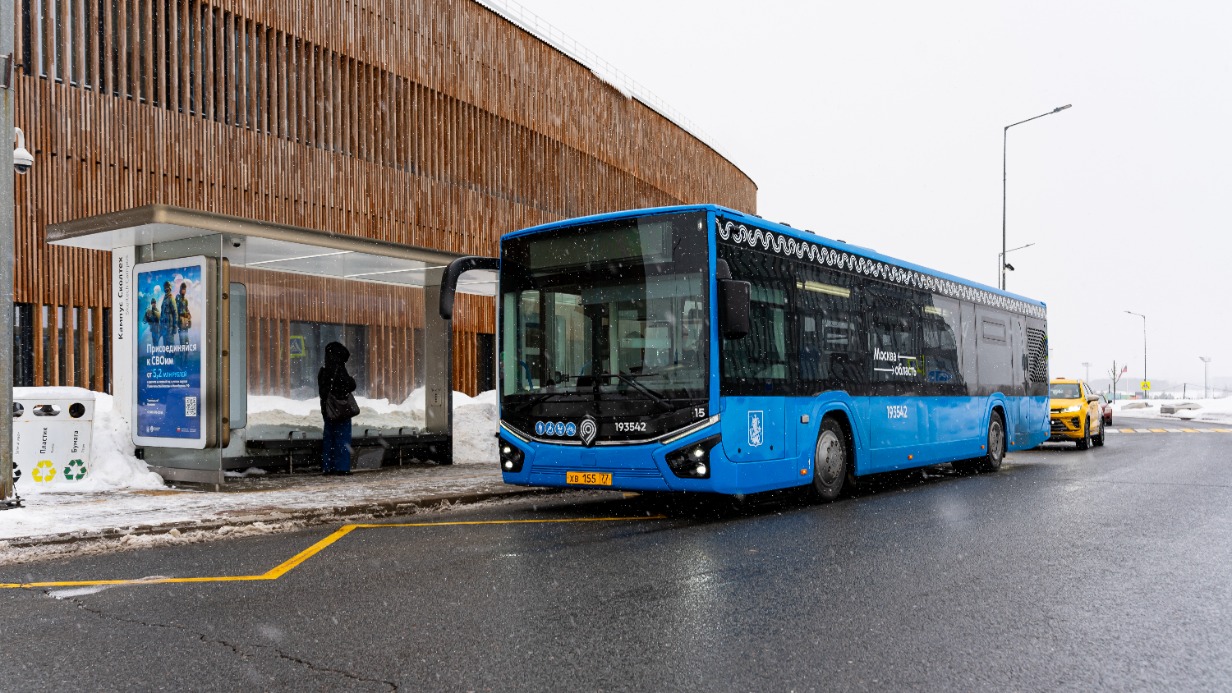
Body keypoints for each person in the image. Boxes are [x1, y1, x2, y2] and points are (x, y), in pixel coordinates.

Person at [318, 341, 357, 476]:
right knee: (342, 438)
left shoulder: (324, 370)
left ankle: (328, 467)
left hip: (328, 410)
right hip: (341, 410)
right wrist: (351, 380)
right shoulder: (339, 369)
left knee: (329, 438)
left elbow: (323, 391)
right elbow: (349, 385)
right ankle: (341, 467)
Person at [158, 281, 177, 347]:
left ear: (170, 288)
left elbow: (175, 313)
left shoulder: (171, 298)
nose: (166, 289)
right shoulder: (164, 299)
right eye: (165, 287)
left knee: (170, 344)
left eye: (167, 287)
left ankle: (172, 357)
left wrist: (175, 327)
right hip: (164, 326)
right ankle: (167, 357)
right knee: (165, 344)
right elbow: (162, 313)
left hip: (170, 327)